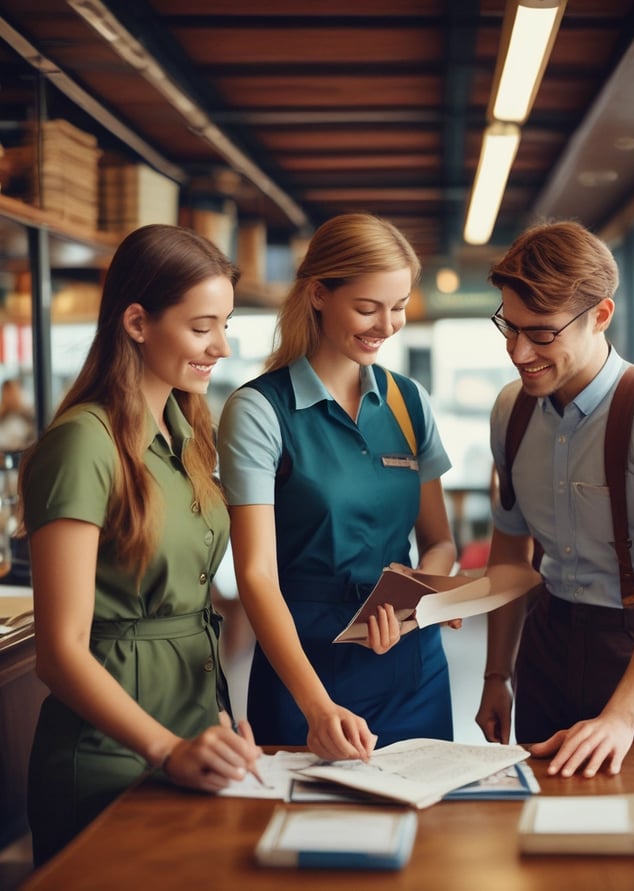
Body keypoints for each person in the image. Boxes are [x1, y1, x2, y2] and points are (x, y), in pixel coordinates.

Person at [17, 224, 261, 865]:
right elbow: (59, 653)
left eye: (225, 325)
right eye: (202, 327)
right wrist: (167, 749)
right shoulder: (83, 443)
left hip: (193, 738)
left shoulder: (188, 433)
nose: (221, 346)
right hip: (111, 758)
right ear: (136, 323)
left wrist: (213, 728)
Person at [475, 220, 634, 778]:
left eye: (542, 333)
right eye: (509, 327)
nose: (518, 352)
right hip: (547, 640)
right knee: (539, 810)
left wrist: (620, 717)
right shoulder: (510, 412)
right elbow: (510, 554)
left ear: (601, 315)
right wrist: (497, 676)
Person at [217, 212, 457, 762]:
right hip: (305, 669)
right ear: (319, 294)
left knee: (425, 810)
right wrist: (317, 706)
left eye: (399, 307)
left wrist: (418, 591)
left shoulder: (408, 401)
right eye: (368, 308)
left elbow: (439, 541)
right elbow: (255, 575)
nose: (387, 326)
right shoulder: (259, 411)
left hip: (412, 665)